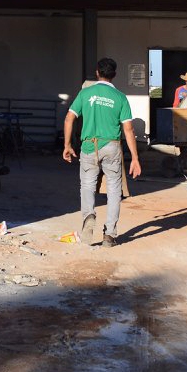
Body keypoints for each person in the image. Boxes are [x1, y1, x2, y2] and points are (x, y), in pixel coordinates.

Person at [62, 58, 140, 245]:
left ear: (97, 72)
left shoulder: (85, 94)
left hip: (89, 146)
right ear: (114, 75)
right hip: (111, 146)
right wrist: (135, 158)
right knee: (114, 190)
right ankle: (110, 234)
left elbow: (68, 118)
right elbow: (128, 129)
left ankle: (89, 218)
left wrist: (67, 145)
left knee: (87, 186)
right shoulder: (120, 97)